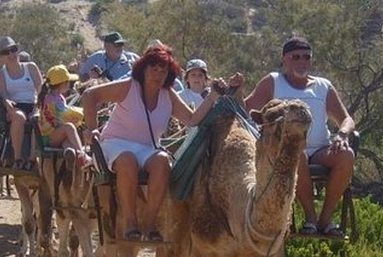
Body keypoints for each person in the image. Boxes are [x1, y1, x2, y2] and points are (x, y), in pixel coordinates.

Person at [82, 43, 240, 242]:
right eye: (153, 68)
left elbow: (192, 119)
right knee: (128, 161)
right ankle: (131, 224)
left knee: (162, 161)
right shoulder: (130, 86)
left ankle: (150, 225)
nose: (158, 74)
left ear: (169, 73)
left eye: (163, 70)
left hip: (147, 148)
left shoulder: (168, 95)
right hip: (115, 144)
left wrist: (214, 95)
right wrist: (91, 127)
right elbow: (90, 95)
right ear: (143, 69)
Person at [244, 36, 356, 238]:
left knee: (346, 155)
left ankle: (326, 218)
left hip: (320, 149)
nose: (301, 61)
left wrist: (342, 134)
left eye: (306, 57)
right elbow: (247, 109)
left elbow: (346, 119)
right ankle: (310, 217)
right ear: (284, 60)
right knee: (299, 155)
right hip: (285, 150)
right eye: (296, 57)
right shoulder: (273, 82)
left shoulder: (323, 86)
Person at [0, 36, 43, 171]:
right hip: (15, 106)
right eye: (6, 52)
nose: (11, 54)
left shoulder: (31, 67)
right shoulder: (0, 75)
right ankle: (18, 158)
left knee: (37, 118)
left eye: (13, 50)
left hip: (34, 104)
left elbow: (40, 89)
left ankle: (32, 158)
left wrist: (38, 106)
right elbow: (4, 95)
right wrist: (8, 104)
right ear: (1, 57)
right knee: (19, 117)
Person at [39, 64, 91, 166]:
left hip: (57, 133)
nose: (69, 85)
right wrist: (84, 113)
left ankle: (70, 153)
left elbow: (66, 111)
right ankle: (82, 153)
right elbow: (64, 115)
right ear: (62, 84)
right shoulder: (50, 100)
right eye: (68, 82)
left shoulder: (58, 97)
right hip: (49, 136)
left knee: (67, 141)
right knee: (69, 127)